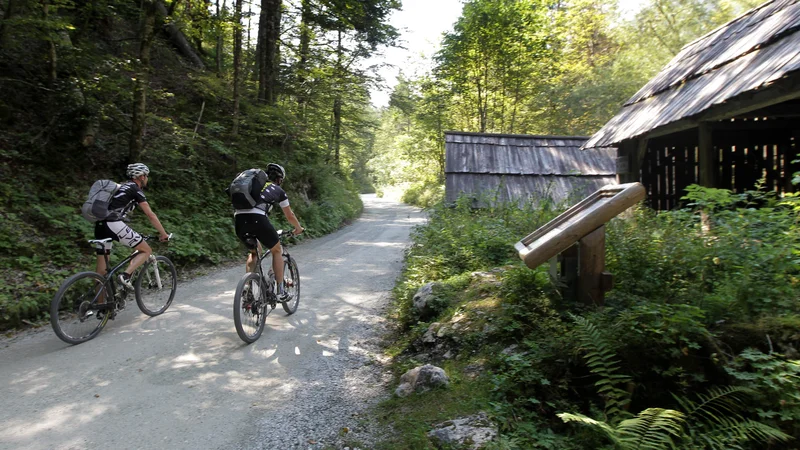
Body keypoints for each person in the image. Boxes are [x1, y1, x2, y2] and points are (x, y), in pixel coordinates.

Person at [94, 163, 170, 289]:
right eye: (146, 176)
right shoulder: (135, 189)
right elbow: (150, 215)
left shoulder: (120, 187)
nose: (147, 179)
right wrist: (163, 234)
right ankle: (125, 276)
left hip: (100, 225)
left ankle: (101, 307)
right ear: (141, 177)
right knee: (146, 250)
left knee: (101, 271)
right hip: (113, 224)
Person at [234, 163, 303, 301]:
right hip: (258, 219)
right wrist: (298, 228)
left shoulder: (254, 187)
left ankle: (248, 288)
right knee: (276, 250)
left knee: (254, 251)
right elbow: (290, 215)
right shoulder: (277, 190)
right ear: (280, 179)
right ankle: (281, 291)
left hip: (239, 220)